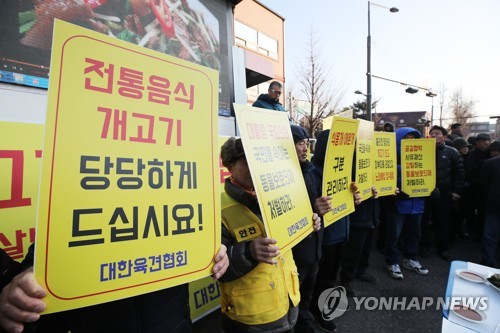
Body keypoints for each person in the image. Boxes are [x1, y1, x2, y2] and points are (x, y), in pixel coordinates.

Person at [0, 244, 229, 333]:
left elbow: (208, 254)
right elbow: (41, 263)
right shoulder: (69, 209)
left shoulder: (178, 210)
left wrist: (216, 254)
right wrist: (24, 285)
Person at [218, 137, 321, 333]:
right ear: (230, 167)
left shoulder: (281, 193)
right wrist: (248, 252)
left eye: (256, 160)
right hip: (250, 317)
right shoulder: (218, 207)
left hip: (289, 302)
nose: (254, 167)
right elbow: (215, 268)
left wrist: (310, 224)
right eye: (246, 162)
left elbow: (293, 238)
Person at [288, 125, 331, 333]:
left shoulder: (312, 172)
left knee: (307, 291)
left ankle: (304, 319)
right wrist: (313, 209)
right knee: (292, 295)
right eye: (299, 143)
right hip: (295, 252)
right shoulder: (282, 175)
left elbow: (323, 202)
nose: (305, 148)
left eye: (306, 143)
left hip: (315, 246)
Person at [310, 129, 350, 333]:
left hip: (341, 231)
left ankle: (325, 304)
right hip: (324, 236)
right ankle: (318, 312)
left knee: (331, 274)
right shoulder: (312, 172)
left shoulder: (342, 170)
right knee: (321, 277)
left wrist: (354, 198)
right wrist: (315, 206)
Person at [385, 127, 428, 280]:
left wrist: (431, 189)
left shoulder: (423, 158)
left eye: (413, 138)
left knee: (414, 234)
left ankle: (411, 259)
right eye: (406, 137)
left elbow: (428, 176)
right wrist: (394, 192)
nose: (410, 141)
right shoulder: (388, 159)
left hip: (417, 205)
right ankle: (392, 262)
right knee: (393, 236)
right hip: (397, 205)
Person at [421, 125, 464, 261]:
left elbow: (459, 173)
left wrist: (457, 191)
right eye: (432, 134)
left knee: (443, 222)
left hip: (444, 194)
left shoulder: (452, 152)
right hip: (424, 193)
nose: (434, 136)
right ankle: (423, 246)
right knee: (423, 222)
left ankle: (443, 248)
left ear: (444, 137)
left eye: (437, 134)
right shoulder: (421, 150)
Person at [464, 133, 491, 240]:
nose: (483, 143)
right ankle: (471, 229)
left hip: (485, 189)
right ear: (476, 143)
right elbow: (467, 170)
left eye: (486, 141)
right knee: (470, 210)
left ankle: (480, 231)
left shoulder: (491, 154)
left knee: (483, 211)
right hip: (471, 187)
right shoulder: (471, 154)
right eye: (480, 141)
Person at [479, 152, 500, 267]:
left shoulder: (491, 162)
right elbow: (484, 184)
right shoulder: (491, 163)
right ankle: (487, 260)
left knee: (490, 234)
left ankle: (488, 259)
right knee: (490, 235)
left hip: (494, 203)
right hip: (495, 205)